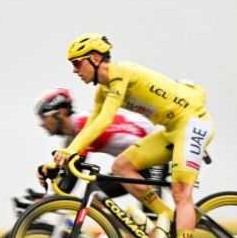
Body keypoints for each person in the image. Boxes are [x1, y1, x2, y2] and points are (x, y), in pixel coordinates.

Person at [55, 34, 214, 238]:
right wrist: (62, 157)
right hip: (171, 129)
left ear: (96, 59)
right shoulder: (103, 91)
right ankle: (168, 217)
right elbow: (90, 127)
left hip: (193, 123)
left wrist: (69, 152)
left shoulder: (120, 73)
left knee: (181, 191)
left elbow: (104, 122)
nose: (74, 70)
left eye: (77, 63)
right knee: (122, 167)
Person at [35, 87, 167, 203]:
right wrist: (44, 193)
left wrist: (45, 200)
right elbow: (66, 175)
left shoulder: (81, 125)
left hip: (155, 155)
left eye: (43, 116)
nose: (40, 124)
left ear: (61, 112)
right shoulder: (72, 137)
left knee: (156, 218)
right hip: (134, 164)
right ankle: (114, 231)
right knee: (94, 195)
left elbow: (73, 175)